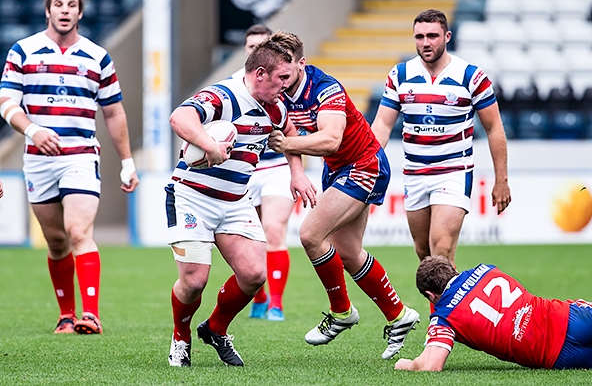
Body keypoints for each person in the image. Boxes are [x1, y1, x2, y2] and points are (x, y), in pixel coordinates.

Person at [267, 31, 420, 360]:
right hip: (337, 170)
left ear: (301, 64)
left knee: (309, 234)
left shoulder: (325, 89)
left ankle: (341, 312)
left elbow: (331, 139)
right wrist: (295, 169)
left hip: (365, 165)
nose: (279, 80)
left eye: (285, 73)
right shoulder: (278, 91)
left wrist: (287, 146)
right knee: (348, 252)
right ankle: (399, 315)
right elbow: (288, 130)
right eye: (275, 73)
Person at [166, 39, 316, 367]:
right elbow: (179, 118)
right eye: (282, 78)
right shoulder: (224, 96)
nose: (286, 85)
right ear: (260, 74)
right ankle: (181, 336)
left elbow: (289, 133)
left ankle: (216, 328)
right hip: (192, 197)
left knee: (253, 275)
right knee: (194, 281)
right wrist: (210, 145)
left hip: (235, 201)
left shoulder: (275, 106)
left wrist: (297, 173)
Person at [0, 0, 139, 335]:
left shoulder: (97, 57)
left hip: (80, 155)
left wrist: (126, 161)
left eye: (71, 5)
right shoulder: (23, 51)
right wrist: (34, 131)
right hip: (37, 159)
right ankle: (66, 315)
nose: (64, 10)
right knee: (57, 241)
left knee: (79, 231)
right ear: (48, 11)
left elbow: (114, 113)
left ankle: (90, 315)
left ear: (80, 12)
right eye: (58, 4)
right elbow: (6, 104)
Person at [371, 9, 511, 267]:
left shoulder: (471, 76)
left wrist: (500, 180)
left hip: (453, 172)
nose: (425, 42)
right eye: (420, 36)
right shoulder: (400, 75)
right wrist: (367, 165)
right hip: (414, 174)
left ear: (447, 36)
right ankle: (447, 305)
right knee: (424, 253)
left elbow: (494, 129)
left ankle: (442, 310)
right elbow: (381, 125)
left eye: (432, 36)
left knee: (441, 248)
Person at [395, 255, 592, 371]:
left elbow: (432, 365)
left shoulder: (443, 318)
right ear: (452, 269)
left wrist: (405, 364)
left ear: (430, 295)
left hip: (556, 357)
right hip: (568, 317)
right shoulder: (485, 269)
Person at [233, 24, 295, 322]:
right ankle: (259, 297)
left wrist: (298, 171)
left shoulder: (283, 84)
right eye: (250, 47)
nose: (256, 51)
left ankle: (276, 305)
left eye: (262, 46)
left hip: (276, 167)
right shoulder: (231, 87)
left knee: (273, 231)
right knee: (249, 240)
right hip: (243, 169)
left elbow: (292, 129)